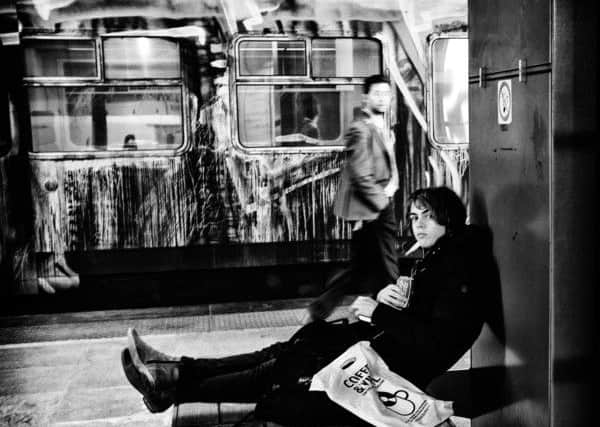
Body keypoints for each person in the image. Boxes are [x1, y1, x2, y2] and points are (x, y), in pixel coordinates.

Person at [121, 187, 493, 425]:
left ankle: (169, 379)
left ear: (449, 215)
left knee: (274, 370)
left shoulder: (457, 269)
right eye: (413, 217)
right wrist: (383, 301)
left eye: (427, 215)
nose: (418, 224)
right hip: (364, 352)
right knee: (276, 356)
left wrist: (376, 312)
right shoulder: (442, 259)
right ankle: (170, 376)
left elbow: (429, 342)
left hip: (375, 372)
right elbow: (417, 322)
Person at [308, 74, 399, 320]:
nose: (383, 99)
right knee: (388, 266)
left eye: (386, 94)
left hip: (375, 206)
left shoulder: (381, 127)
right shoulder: (360, 129)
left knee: (362, 269)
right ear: (365, 97)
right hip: (375, 207)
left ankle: (321, 309)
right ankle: (393, 317)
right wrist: (381, 204)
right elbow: (360, 173)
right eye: (377, 94)